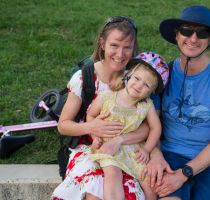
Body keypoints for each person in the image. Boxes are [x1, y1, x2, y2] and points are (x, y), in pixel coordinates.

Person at [142, 5, 210, 200]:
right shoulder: (162, 75)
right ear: (177, 35)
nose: (193, 39)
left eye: (202, 33)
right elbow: (149, 123)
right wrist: (155, 155)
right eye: (187, 31)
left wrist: (183, 174)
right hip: (170, 155)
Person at [52, 16, 151, 200]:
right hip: (89, 149)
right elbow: (63, 125)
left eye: (127, 47)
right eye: (114, 45)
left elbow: (147, 126)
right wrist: (91, 127)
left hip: (126, 152)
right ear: (102, 44)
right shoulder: (85, 78)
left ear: (134, 48)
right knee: (95, 188)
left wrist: (120, 139)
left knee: (130, 192)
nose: (120, 54)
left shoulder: (137, 80)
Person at [87, 51, 169, 200]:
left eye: (146, 85)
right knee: (113, 173)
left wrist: (147, 149)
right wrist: (94, 136)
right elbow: (91, 115)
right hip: (108, 147)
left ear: (151, 92)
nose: (138, 85)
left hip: (134, 150)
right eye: (137, 78)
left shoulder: (146, 105)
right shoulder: (107, 97)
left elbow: (156, 128)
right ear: (129, 75)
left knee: (148, 180)